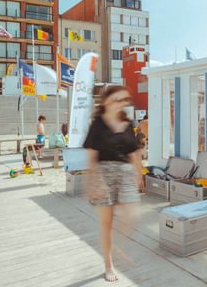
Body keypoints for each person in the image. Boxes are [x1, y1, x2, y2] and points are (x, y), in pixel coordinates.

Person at [83, 86, 144, 283]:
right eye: (119, 99)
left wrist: (139, 173)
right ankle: (108, 264)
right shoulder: (98, 124)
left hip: (125, 173)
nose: (123, 103)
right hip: (103, 174)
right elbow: (91, 157)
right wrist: (93, 181)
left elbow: (134, 151)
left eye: (125, 100)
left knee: (132, 215)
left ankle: (115, 245)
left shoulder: (127, 122)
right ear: (107, 101)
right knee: (106, 224)